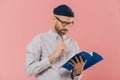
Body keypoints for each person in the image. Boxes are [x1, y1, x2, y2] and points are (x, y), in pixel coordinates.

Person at [25, 4, 86, 80]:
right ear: (54, 18)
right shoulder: (40, 40)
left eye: (69, 24)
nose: (66, 27)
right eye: (64, 23)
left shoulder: (73, 43)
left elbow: (74, 77)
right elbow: (29, 71)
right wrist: (53, 56)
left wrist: (78, 73)